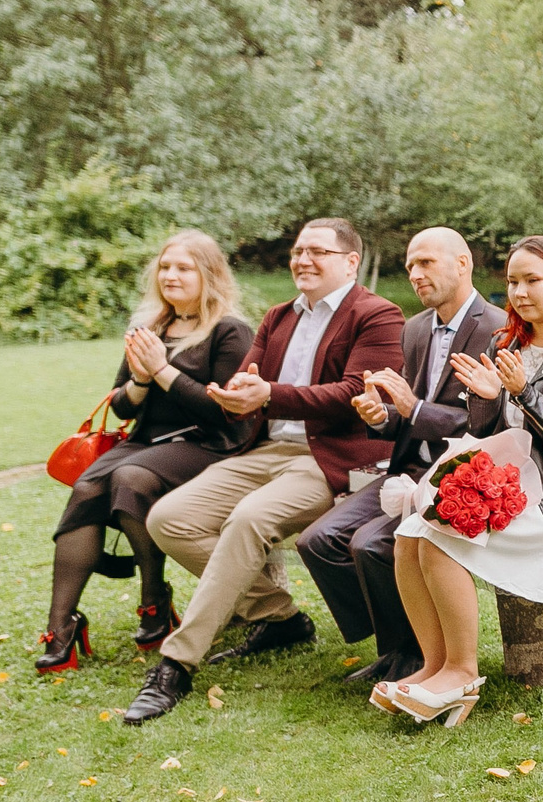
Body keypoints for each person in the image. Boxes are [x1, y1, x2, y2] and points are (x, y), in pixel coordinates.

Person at [126, 219, 404, 724]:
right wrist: (232, 395)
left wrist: (271, 395)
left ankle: (177, 662)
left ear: (349, 262)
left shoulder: (377, 314)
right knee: (169, 518)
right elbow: (247, 381)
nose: (303, 260)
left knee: (248, 520)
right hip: (266, 449)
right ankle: (279, 616)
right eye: (298, 251)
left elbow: (357, 394)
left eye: (318, 251)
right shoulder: (278, 317)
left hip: (330, 458)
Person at [384, 235, 543, 725]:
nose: (520, 292)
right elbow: (485, 433)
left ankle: (462, 673)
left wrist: (524, 392)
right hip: (506, 478)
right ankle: (434, 666)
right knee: (408, 537)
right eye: (513, 281)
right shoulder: (503, 341)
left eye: (533, 280)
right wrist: (488, 398)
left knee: (439, 542)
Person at [38, 232, 258, 672]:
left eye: (184, 268)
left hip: (209, 444)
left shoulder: (229, 331)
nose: (171, 276)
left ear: (209, 276)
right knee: (86, 487)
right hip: (146, 442)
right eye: (165, 267)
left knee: (130, 478)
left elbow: (222, 412)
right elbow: (119, 404)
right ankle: (61, 627)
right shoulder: (152, 329)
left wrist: (161, 369)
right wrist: (140, 380)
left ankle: (154, 602)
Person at [298, 228, 504, 687]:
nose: (414, 273)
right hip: (410, 468)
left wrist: (414, 410)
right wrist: (380, 416)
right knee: (319, 541)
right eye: (410, 265)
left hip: (464, 473)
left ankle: (410, 655)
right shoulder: (414, 329)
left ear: (463, 263)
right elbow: (406, 415)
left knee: (370, 544)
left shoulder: (496, 328)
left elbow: (487, 424)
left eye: (426, 262)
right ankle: (400, 645)